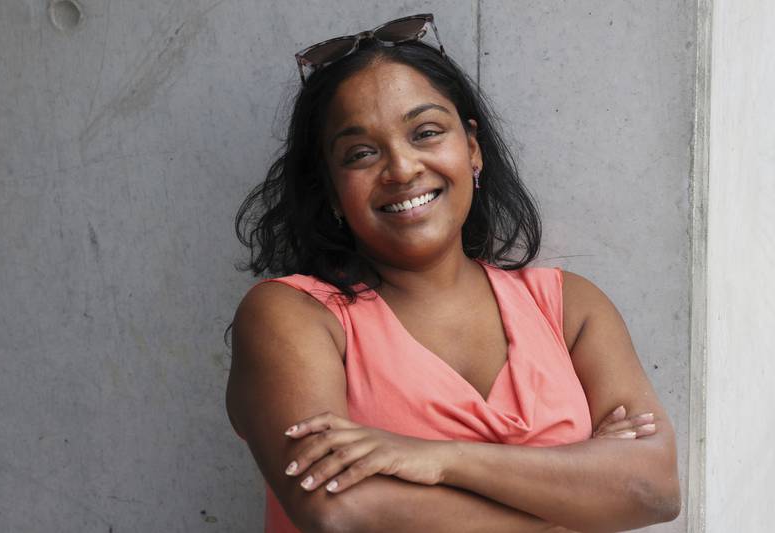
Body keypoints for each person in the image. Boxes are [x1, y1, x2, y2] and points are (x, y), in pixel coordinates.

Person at [225, 13, 680, 533]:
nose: (401, 168)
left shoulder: (568, 307)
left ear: (472, 148)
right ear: (330, 189)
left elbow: (654, 489)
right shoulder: (292, 316)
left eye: (425, 132)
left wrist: (438, 459)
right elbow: (341, 511)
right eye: (361, 153)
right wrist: (579, 499)